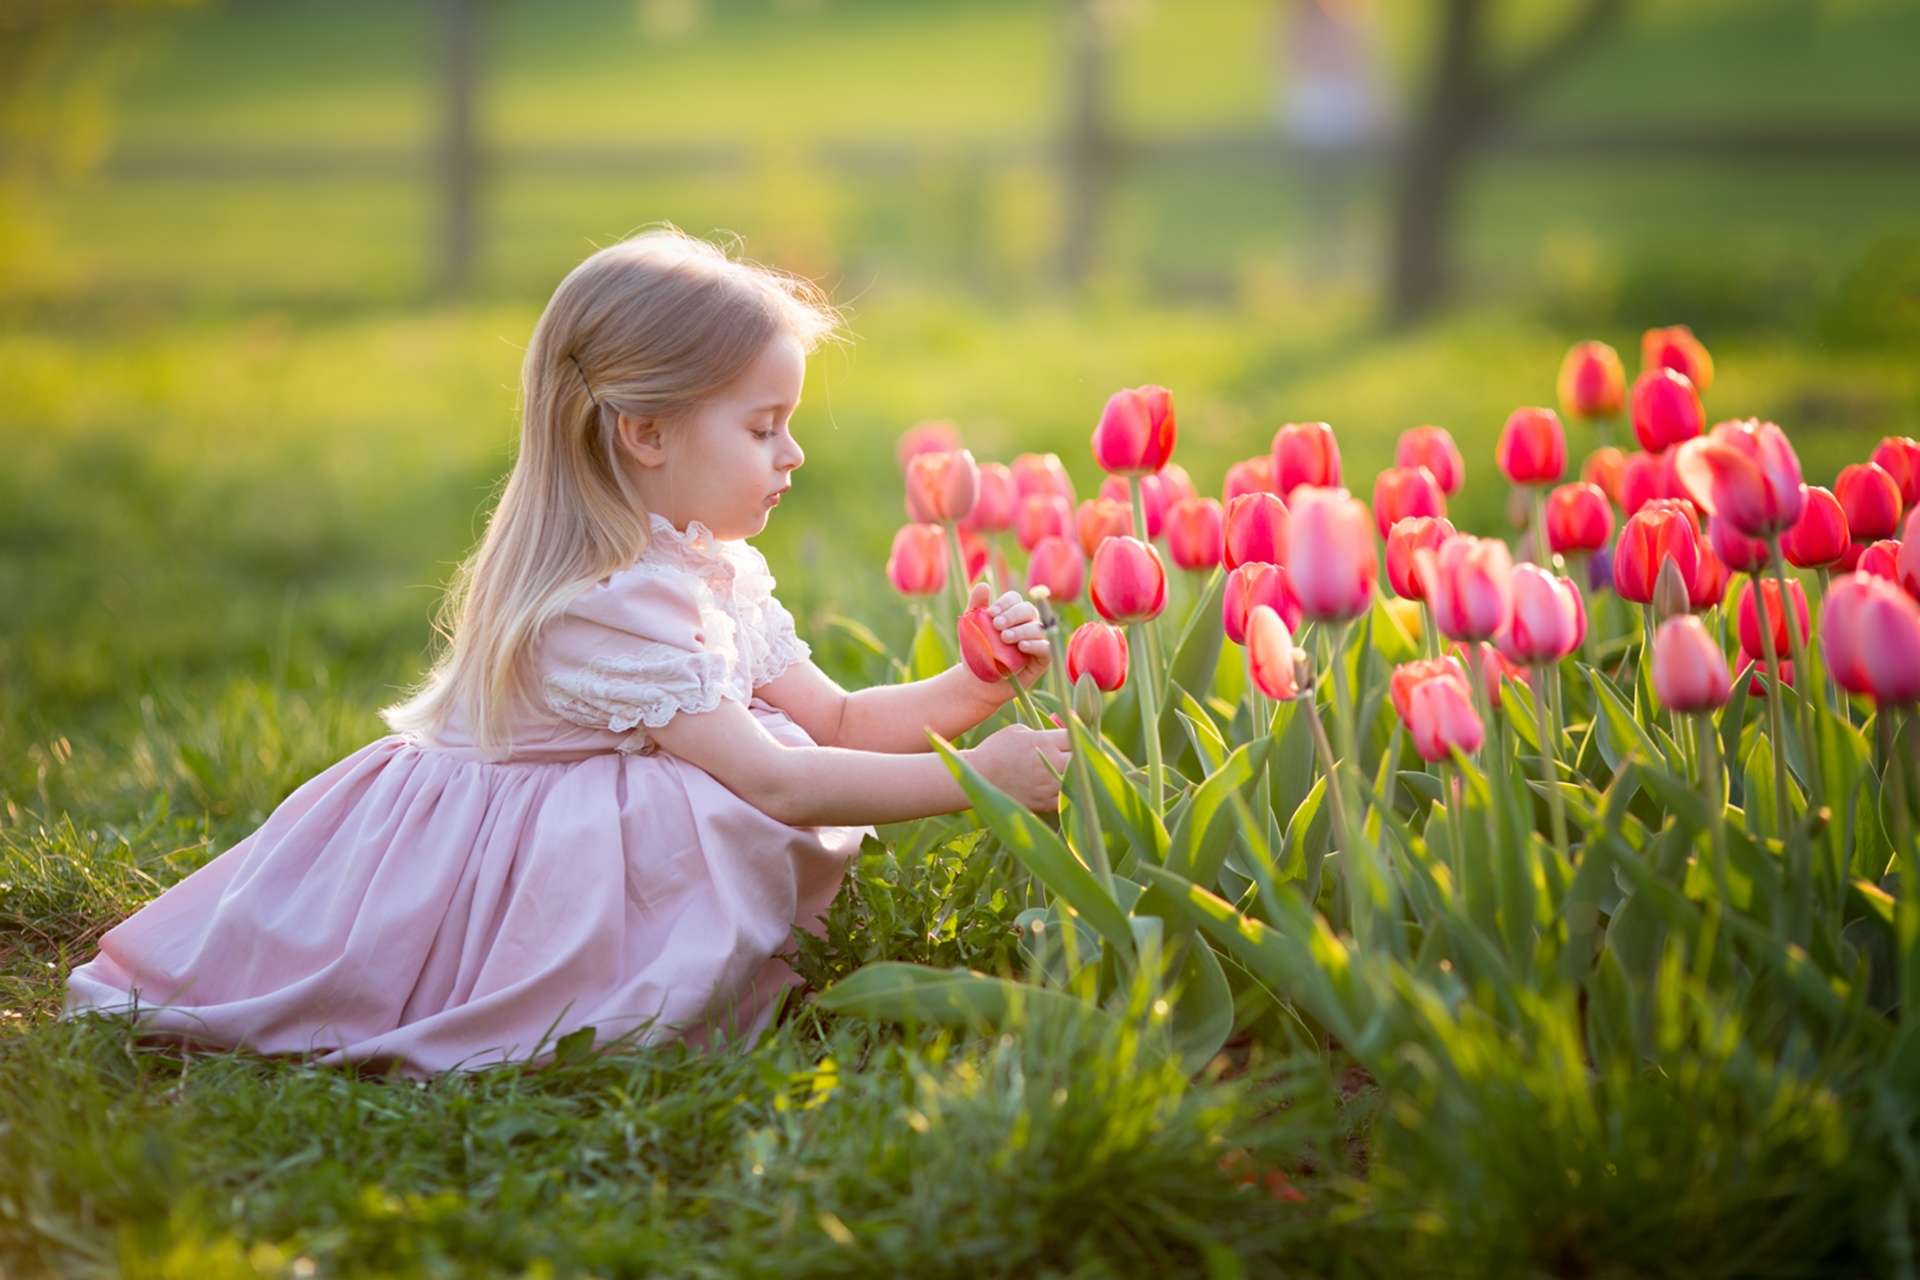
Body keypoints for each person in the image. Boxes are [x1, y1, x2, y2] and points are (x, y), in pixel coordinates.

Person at [66, 229, 1070, 1075]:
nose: (794, 453)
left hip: (598, 822)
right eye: (765, 427)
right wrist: (977, 781)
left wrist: (973, 684)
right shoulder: (600, 606)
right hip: (500, 865)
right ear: (644, 432)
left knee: (701, 792)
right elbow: (782, 780)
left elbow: (840, 720)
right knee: (709, 799)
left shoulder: (705, 565)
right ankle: (589, 996)